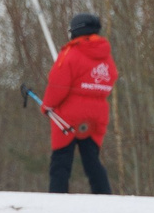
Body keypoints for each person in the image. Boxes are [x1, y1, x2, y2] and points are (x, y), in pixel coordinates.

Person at [41, 12, 115, 194]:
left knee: (61, 159)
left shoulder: (71, 53)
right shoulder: (106, 56)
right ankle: (104, 195)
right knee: (91, 159)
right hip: (97, 114)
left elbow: (58, 85)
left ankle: (57, 197)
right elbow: (112, 77)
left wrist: (47, 105)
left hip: (68, 116)